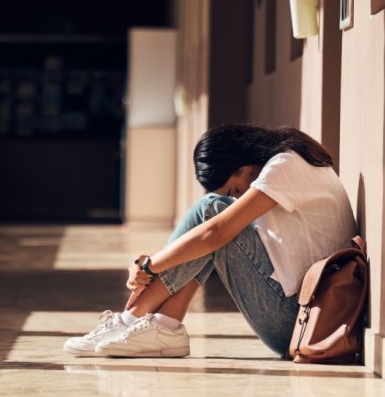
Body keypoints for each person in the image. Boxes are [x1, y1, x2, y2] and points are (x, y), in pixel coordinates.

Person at [64, 124, 357, 358]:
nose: (237, 196)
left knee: (211, 213)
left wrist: (149, 267)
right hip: (300, 317)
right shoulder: (295, 160)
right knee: (211, 225)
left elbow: (215, 232)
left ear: (243, 165)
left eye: (235, 188)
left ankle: (133, 320)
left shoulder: (286, 166)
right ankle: (161, 326)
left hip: (301, 323)